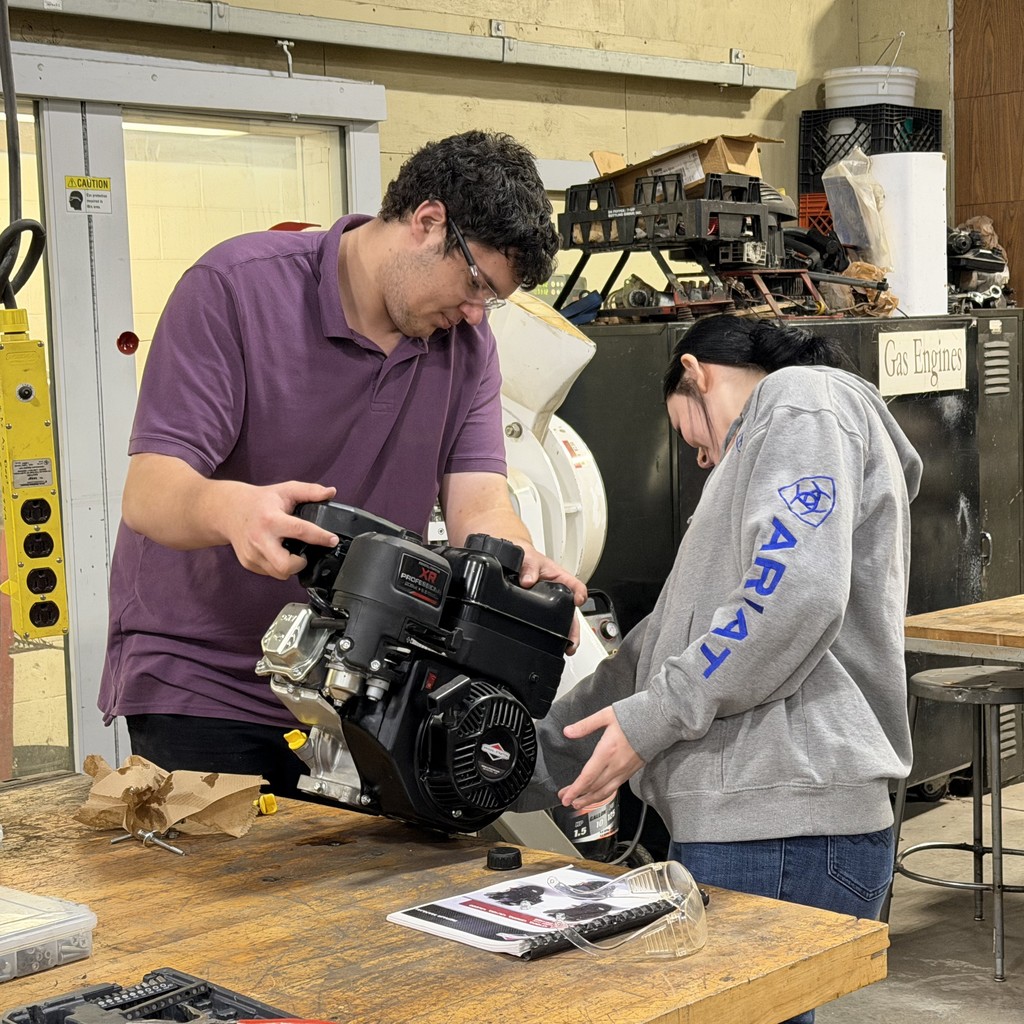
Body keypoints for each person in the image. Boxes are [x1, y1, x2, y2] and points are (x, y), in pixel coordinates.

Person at [98, 130, 586, 796]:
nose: (477, 313)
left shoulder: (466, 349)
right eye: (476, 283)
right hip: (204, 682)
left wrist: (519, 566)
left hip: (358, 688)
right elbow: (150, 490)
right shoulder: (235, 289)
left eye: (492, 300)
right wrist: (235, 509)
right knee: (222, 897)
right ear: (427, 222)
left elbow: (481, 501)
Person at [516, 315, 922, 1024]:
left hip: (782, 823)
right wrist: (517, 767)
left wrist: (656, 717)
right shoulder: (768, 451)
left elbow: (793, 594)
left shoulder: (803, 400)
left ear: (694, 373)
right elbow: (652, 657)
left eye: (690, 435)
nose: (701, 459)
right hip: (763, 823)